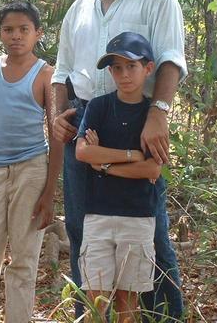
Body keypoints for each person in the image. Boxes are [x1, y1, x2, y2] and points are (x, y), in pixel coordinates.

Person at [51, 0, 187, 321]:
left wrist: (159, 112)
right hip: (87, 122)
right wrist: (56, 116)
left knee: (150, 231)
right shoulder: (80, 7)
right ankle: (88, 315)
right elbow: (61, 72)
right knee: (81, 229)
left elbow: (169, 60)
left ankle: (164, 316)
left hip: (138, 122)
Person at [0, 0, 63, 323]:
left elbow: (56, 131)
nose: (16, 36)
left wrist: (49, 192)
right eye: (8, 30)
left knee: (23, 258)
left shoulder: (46, 74)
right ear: (0, 33)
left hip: (31, 172)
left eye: (24, 30)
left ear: (38, 33)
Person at [75, 32, 162, 321]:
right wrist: (130, 155)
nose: (124, 75)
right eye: (117, 68)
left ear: (147, 68)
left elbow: (152, 169)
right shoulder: (98, 107)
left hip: (137, 216)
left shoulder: (152, 115)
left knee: (128, 300)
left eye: (131, 66)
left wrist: (106, 165)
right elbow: (84, 153)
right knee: (95, 299)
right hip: (98, 215)